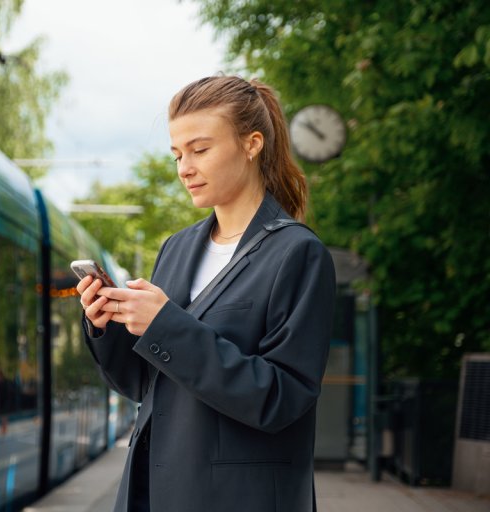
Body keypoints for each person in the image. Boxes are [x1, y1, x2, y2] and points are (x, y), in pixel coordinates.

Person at [76, 75, 336, 512]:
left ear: (252, 144)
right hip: (151, 492)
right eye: (177, 154)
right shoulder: (177, 248)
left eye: (200, 150)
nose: (184, 169)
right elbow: (148, 384)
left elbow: (282, 398)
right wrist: (108, 327)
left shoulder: (298, 253)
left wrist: (166, 327)